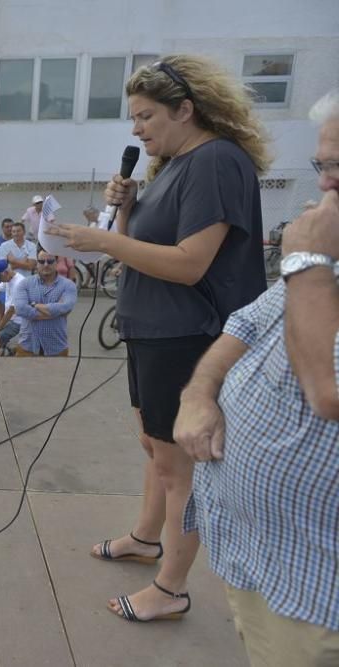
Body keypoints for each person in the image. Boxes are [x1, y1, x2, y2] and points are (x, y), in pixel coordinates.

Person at [46, 55, 270, 623]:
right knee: (155, 448)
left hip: (187, 336)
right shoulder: (172, 165)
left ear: (185, 110)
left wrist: (102, 241)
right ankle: (147, 539)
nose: (136, 128)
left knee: (179, 467)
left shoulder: (215, 161)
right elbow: (144, 253)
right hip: (152, 329)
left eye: (146, 116)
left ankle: (172, 588)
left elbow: (191, 264)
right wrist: (123, 215)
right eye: (134, 117)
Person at [171, 89, 339, 663]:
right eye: (324, 165)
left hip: (317, 595)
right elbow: (250, 321)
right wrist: (200, 392)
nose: (325, 185)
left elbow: (328, 392)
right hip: (257, 557)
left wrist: (307, 264)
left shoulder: (317, 258)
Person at [9, 251, 77, 356]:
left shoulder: (68, 285)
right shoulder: (25, 283)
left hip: (56, 346)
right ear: (37, 263)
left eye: (50, 261)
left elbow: (66, 307)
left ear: (56, 263)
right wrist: (55, 312)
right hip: (28, 346)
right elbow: (20, 309)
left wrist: (34, 304)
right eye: (41, 261)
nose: (46, 264)